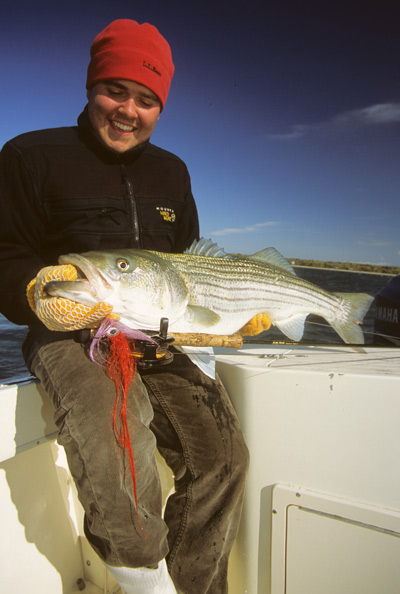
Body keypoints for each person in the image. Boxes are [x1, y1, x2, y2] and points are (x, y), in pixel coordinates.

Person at [0, 19, 249, 594]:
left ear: (160, 105)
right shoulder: (28, 155)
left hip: (157, 331)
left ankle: (194, 585)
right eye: (115, 90)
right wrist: (37, 291)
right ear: (91, 87)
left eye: (146, 99)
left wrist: (230, 308)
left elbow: (188, 260)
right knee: (118, 442)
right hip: (71, 328)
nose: (127, 110)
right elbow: (4, 252)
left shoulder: (172, 171)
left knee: (223, 457)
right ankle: (143, 583)